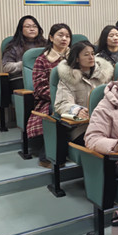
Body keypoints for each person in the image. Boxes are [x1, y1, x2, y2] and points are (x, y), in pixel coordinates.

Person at [27, 23, 72, 168]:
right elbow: (40, 89)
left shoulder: (76, 58)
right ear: (51, 38)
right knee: (57, 111)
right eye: (60, 35)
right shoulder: (42, 60)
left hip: (77, 99)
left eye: (67, 36)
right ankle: (49, 156)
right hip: (50, 101)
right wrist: (62, 99)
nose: (64, 39)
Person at [55, 41, 114, 144]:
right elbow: (61, 104)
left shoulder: (103, 75)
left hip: (105, 124)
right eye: (86, 55)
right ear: (77, 58)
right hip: (82, 127)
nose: (91, 57)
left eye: (92, 54)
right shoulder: (68, 79)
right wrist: (77, 110)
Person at [2, 15, 47, 91]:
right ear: (21, 29)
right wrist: (26, 64)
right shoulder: (13, 46)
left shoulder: (46, 44)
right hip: (21, 78)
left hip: (43, 77)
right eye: (28, 26)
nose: (32, 29)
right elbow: (6, 67)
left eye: (35, 26)